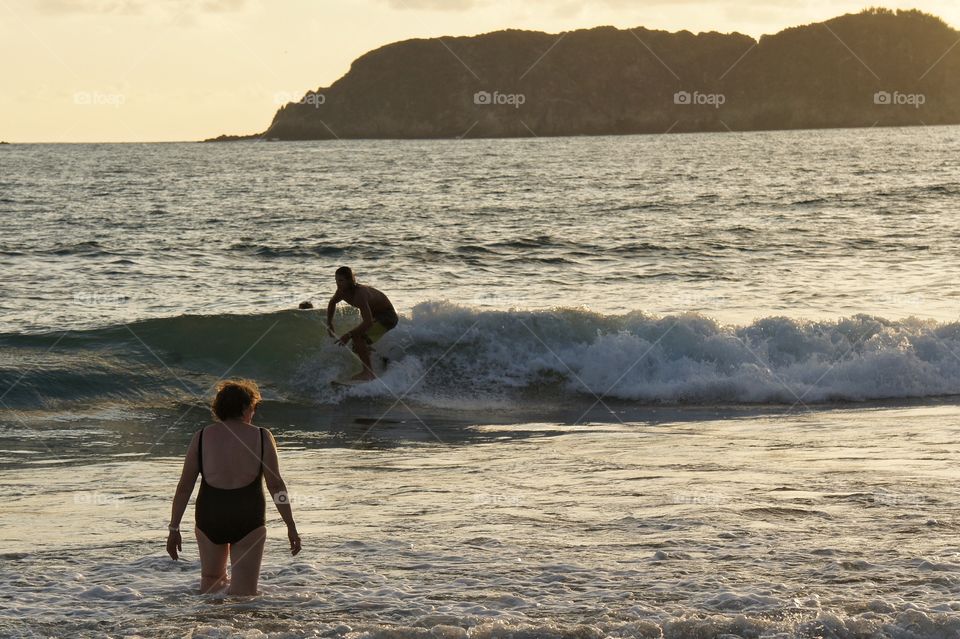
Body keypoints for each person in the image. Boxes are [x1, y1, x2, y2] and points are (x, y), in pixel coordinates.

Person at [166, 379, 301, 595]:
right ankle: (237, 629)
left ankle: (209, 629)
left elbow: (184, 487)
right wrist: (290, 525)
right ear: (247, 407)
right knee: (244, 593)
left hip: (210, 516)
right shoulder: (261, 436)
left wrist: (174, 528)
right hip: (248, 517)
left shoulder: (201, 437)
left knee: (210, 583)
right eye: (253, 408)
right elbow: (275, 485)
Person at [304, 266, 398, 381]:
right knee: (357, 346)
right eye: (336, 280)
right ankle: (382, 361)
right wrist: (329, 323)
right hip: (377, 318)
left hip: (387, 317)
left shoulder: (360, 294)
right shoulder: (341, 291)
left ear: (350, 280)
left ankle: (368, 373)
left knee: (358, 337)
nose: (338, 284)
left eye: (341, 281)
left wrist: (348, 335)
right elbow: (332, 302)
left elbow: (367, 322)